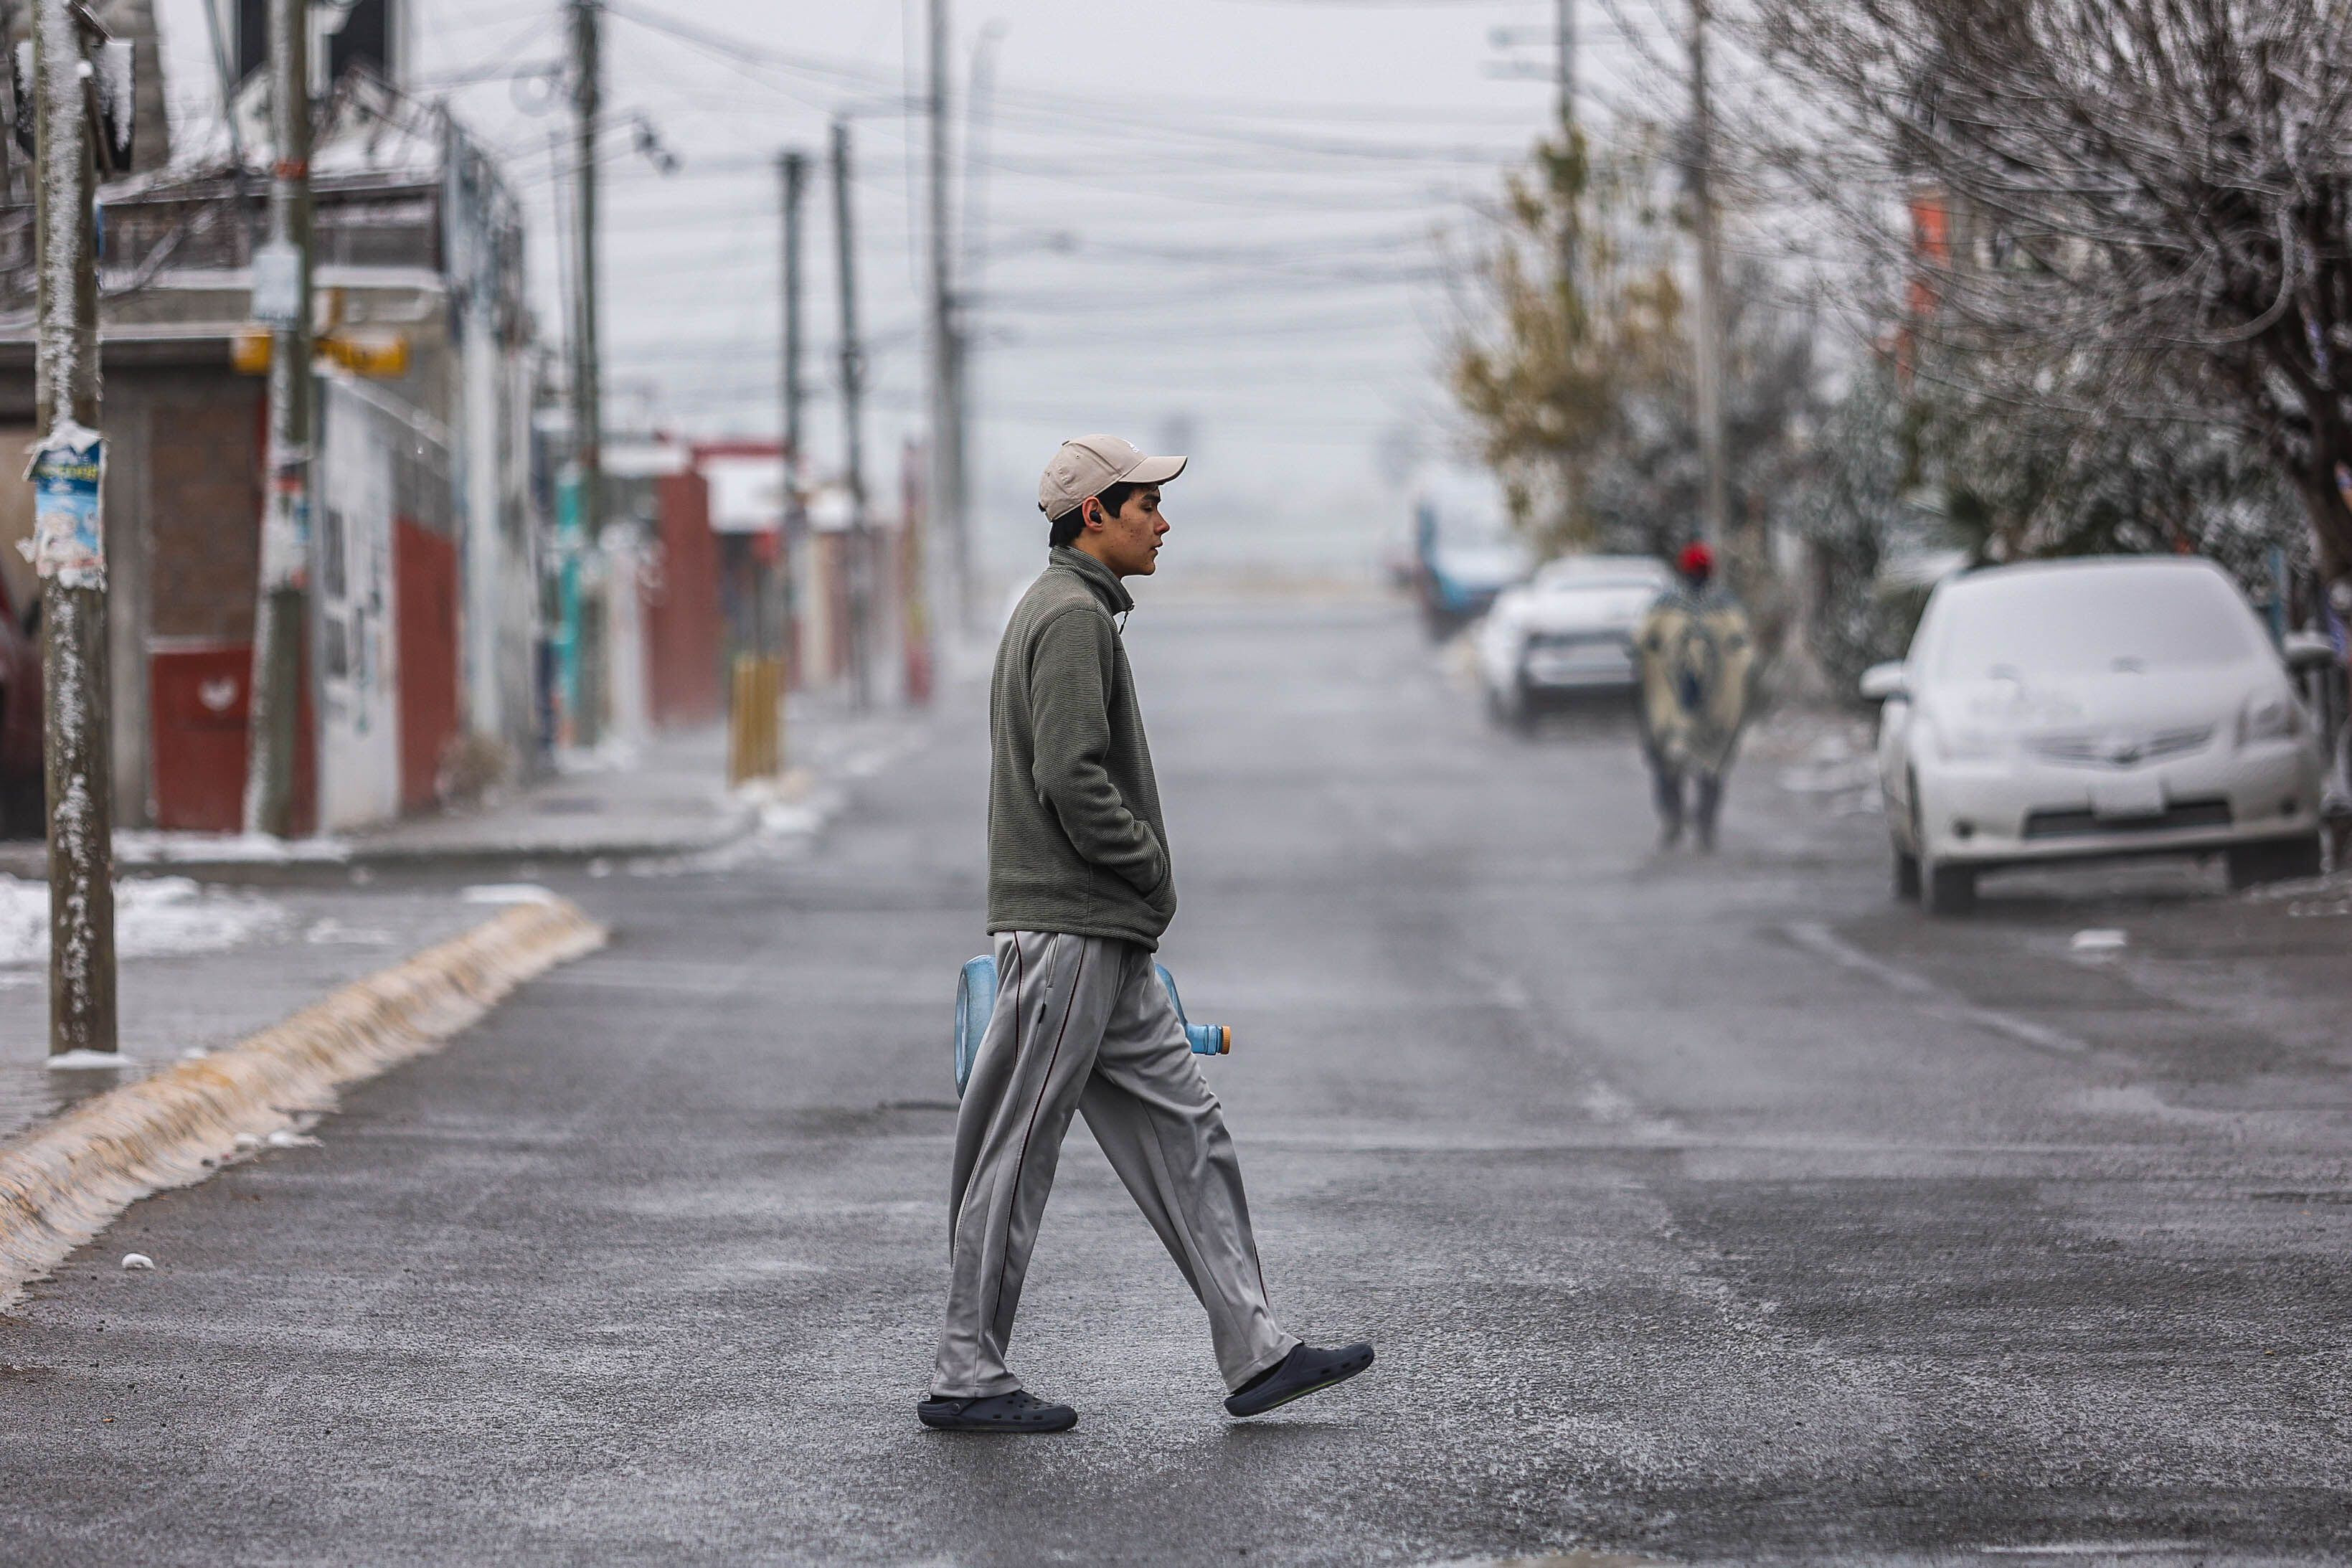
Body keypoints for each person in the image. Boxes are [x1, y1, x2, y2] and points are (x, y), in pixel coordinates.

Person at [919, 435, 1374, 1435]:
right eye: (1146, 506)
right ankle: (965, 1371)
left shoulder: (1076, 609)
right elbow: (1069, 774)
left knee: (1186, 1126)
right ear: (1094, 514)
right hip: (1069, 930)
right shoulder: (1069, 615)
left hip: (1102, 934)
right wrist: (1148, 864)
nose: (1163, 523)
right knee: (1014, 1150)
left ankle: (1257, 1348)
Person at [1635, 542, 1755, 851]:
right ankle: (1680, 820)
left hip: (1708, 705)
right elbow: (1644, 646)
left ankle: (1700, 824)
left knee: (1706, 764)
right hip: (1674, 704)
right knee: (1673, 763)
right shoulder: (1669, 606)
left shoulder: (1721, 606)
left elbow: (1740, 651)